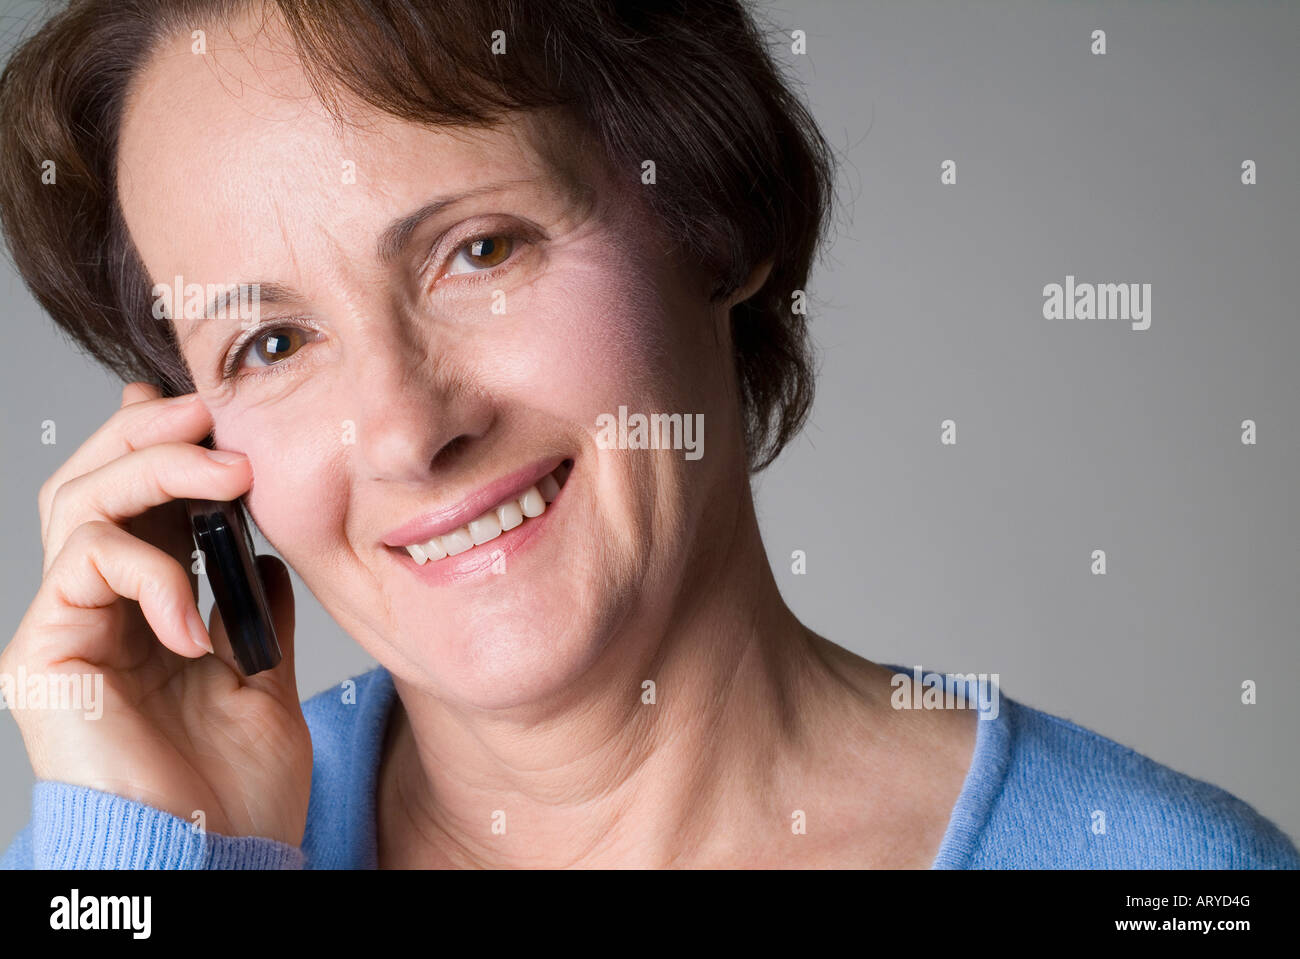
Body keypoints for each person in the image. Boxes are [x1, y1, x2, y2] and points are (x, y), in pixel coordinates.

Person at [0, 0, 1295, 869]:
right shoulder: (131, 846)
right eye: (270, 344)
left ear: (714, 218)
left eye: (479, 249)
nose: (403, 429)